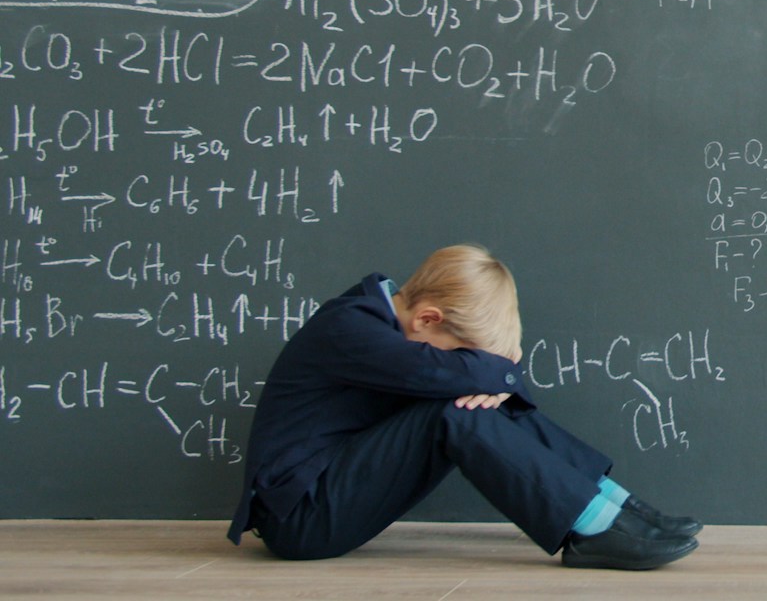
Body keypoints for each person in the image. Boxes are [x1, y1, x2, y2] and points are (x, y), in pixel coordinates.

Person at [227, 244, 700, 571]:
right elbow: (454, 377)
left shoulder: (388, 322)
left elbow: (471, 378)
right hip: (300, 520)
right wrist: (502, 374)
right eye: (460, 353)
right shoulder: (351, 329)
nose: (458, 363)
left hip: (328, 492)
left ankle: (613, 506)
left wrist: (494, 378)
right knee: (453, 411)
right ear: (428, 319)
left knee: (468, 402)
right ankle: (592, 525)